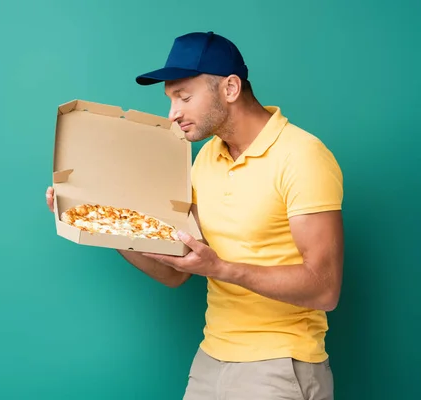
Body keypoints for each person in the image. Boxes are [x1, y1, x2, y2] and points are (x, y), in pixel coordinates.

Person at [45, 31, 343, 400]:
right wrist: (99, 227)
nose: (173, 114)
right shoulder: (206, 159)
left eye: (184, 97)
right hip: (210, 360)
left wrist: (222, 269)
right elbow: (176, 273)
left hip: (280, 365)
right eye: (170, 99)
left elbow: (325, 288)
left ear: (230, 88)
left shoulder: (302, 156)